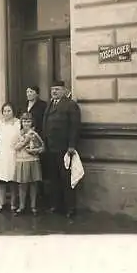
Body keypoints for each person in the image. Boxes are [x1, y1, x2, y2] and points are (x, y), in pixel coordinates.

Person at [42, 80, 81, 218]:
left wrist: (71, 145)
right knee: (54, 179)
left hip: (64, 149)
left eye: (57, 89)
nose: (54, 92)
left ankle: (70, 208)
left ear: (64, 90)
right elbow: (45, 125)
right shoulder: (50, 104)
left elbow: (75, 127)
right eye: (53, 89)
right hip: (50, 149)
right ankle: (56, 206)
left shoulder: (71, 105)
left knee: (66, 179)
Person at [13, 112, 44, 216]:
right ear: (21, 122)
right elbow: (15, 147)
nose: (26, 123)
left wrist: (35, 151)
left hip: (33, 160)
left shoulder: (34, 134)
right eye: (24, 121)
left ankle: (33, 206)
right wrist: (25, 141)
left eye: (29, 121)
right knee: (22, 184)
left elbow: (42, 147)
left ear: (32, 122)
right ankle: (21, 206)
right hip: (22, 161)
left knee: (33, 183)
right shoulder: (18, 133)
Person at [0, 102, 21, 212]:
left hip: (14, 153)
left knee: (13, 179)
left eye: (9, 110)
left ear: (13, 111)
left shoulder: (18, 123)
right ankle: (2, 203)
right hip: (2, 152)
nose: (6, 113)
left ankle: (13, 204)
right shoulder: (0, 123)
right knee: (1, 179)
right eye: (4, 111)